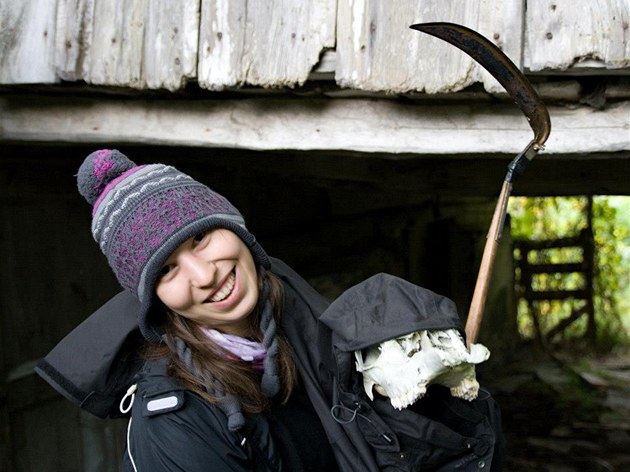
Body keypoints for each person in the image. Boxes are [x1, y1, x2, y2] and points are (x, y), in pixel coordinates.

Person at [36, 149, 504, 471]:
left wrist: (434, 409)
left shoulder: (306, 324)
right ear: (153, 297)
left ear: (235, 227)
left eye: (200, 237)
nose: (204, 274)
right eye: (167, 271)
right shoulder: (175, 423)